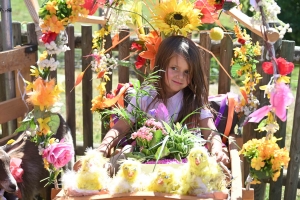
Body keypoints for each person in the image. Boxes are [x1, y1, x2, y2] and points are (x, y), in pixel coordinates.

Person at [97, 35, 229, 167]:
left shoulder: (193, 99)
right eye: (174, 68)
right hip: (145, 158)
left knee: (208, 165)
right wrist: (104, 147)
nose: (180, 76)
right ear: (162, 64)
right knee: (123, 154)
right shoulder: (145, 95)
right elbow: (120, 128)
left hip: (184, 159)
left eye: (187, 71)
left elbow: (211, 132)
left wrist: (217, 149)